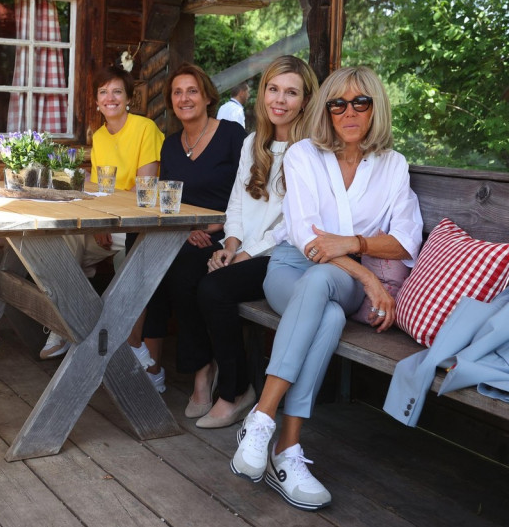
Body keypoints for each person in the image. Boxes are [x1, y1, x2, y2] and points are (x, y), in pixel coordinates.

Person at [230, 66, 423, 511]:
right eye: (338, 103)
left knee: (323, 284)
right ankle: (287, 449)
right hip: (289, 268)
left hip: (340, 275)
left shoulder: (393, 166)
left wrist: (354, 245)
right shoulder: (303, 155)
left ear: (376, 107)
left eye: (361, 102)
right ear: (327, 109)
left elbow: (405, 241)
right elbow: (304, 236)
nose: (349, 111)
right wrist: (370, 277)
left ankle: (261, 418)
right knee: (329, 314)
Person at [192, 56, 318, 428]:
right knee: (187, 269)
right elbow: (236, 204)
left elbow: (290, 224)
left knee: (214, 289)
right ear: (262, 94)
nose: (280, 100)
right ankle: (200, 375)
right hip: (244, 248)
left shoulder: (310, 151)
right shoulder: (252, 143)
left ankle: (235, 391)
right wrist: (230, 245)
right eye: (273, 90)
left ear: (306, 100)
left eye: (291, 92)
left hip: (284, 256)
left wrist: (247, 253)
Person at [131, 63, 246, 393]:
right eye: (177, 92)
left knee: (181, 271)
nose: (184, 98)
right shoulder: (170, 145)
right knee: (144, 256)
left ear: (208, 96)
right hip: (184, 233)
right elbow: (170, 200)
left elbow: (250, 194)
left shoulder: (231, 136)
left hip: (226, 234)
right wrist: (185, 228)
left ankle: (201, 369)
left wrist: (215, 225)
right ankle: (147, 358)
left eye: (192, 91)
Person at [40, 65, 163, 359]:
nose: (111, 98)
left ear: (128, 98)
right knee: (61, 242)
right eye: (103, 92)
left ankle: (86, 330)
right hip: (106, 223)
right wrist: (97, 221)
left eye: (117, 91)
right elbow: (96, 188)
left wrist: (106, 218)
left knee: (122, 260)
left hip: (135, 224)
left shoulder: (145, 129)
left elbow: (144, 190)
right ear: (96, 101)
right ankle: (66, 325)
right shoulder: (99, 135)